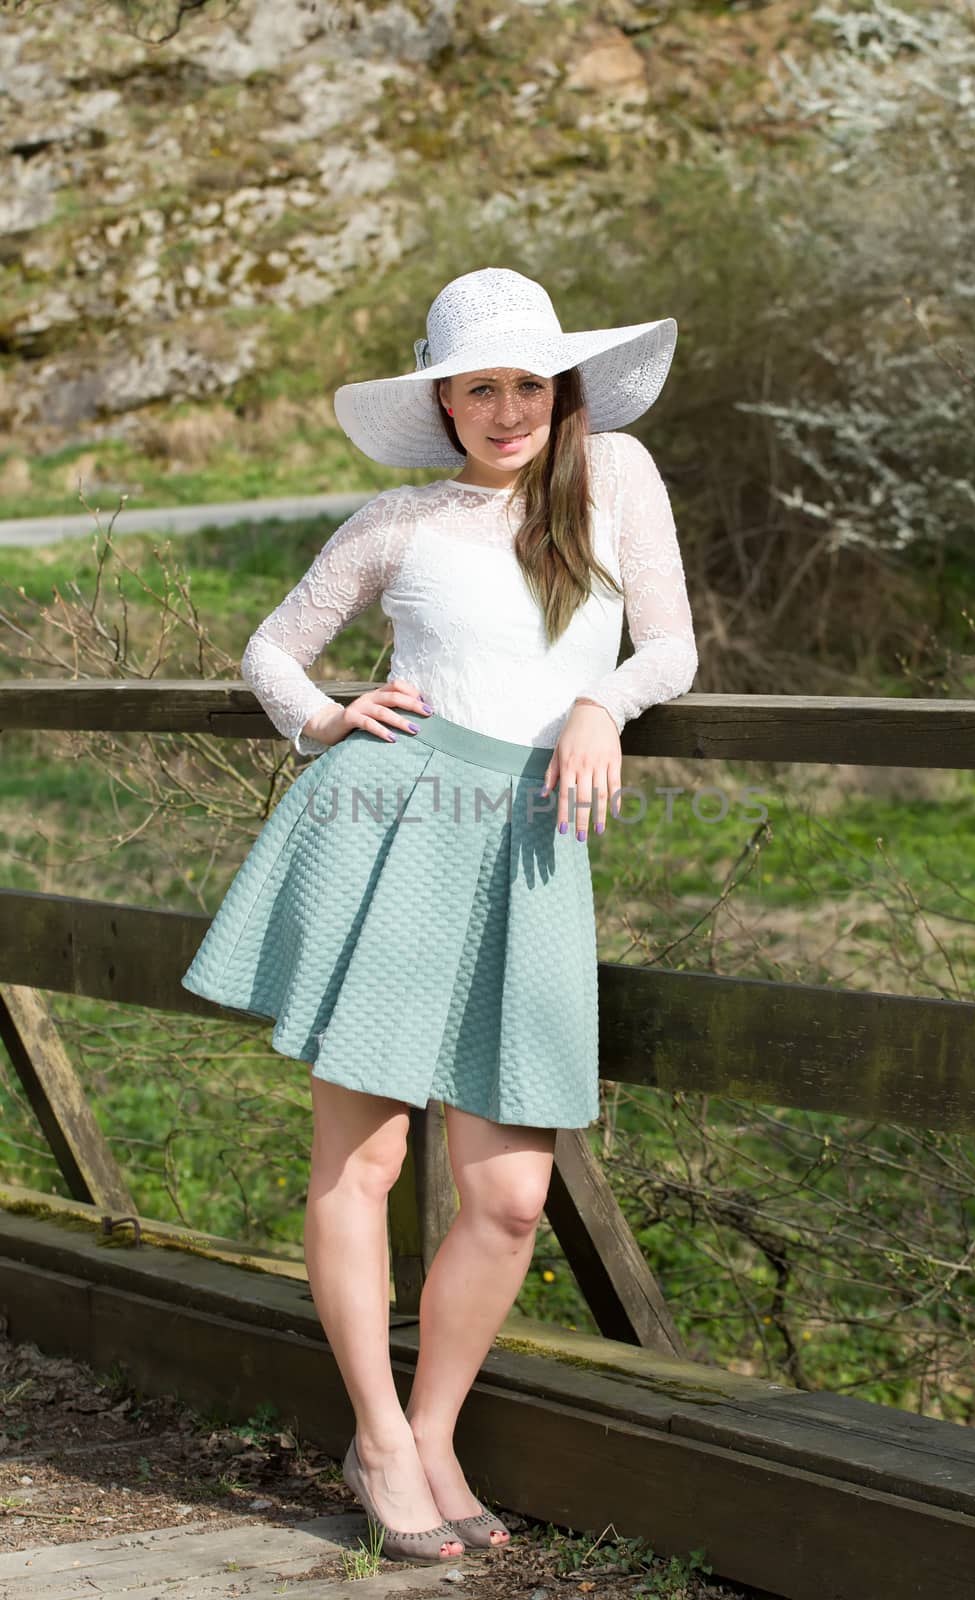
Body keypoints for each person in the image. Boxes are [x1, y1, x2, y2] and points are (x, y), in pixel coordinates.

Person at [180, 267, 699, 1564]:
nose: (509, 408)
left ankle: (430, 1428)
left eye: (530, 383)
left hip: (536, 842)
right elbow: (271, 651)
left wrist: (602, 705)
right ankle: (383, 1439)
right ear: (446, 401)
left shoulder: (616, 477)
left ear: (562, 390)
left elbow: (673, 646)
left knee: (511, 1193)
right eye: (482, 388)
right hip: (395, 824)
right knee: (363, 1163)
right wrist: (322, 718)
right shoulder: (401, 519)